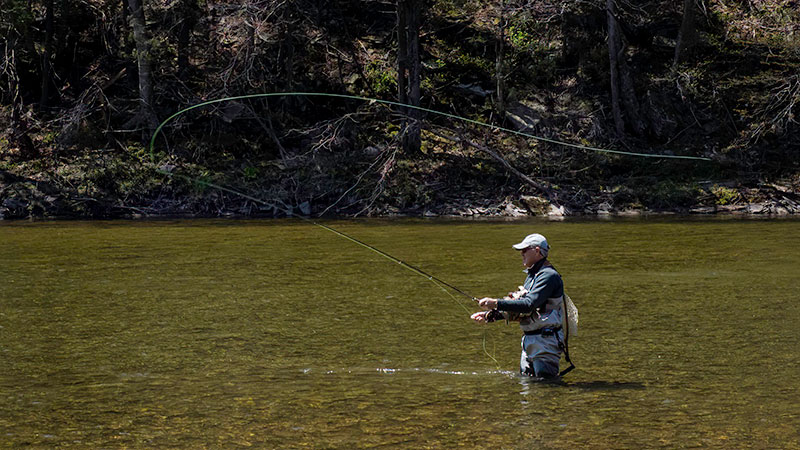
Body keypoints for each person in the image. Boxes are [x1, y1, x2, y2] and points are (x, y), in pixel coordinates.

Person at [471, 233, 566, 378]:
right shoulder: (533, 275)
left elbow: (529, 304)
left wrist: (495, 303)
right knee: (528, 388)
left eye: (524, 250)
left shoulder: (548, 276)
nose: (521, 254)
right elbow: (521, 309)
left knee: (547, 388)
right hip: (531, 340)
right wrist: (490, 316)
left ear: (537, 251)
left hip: (545, 342)